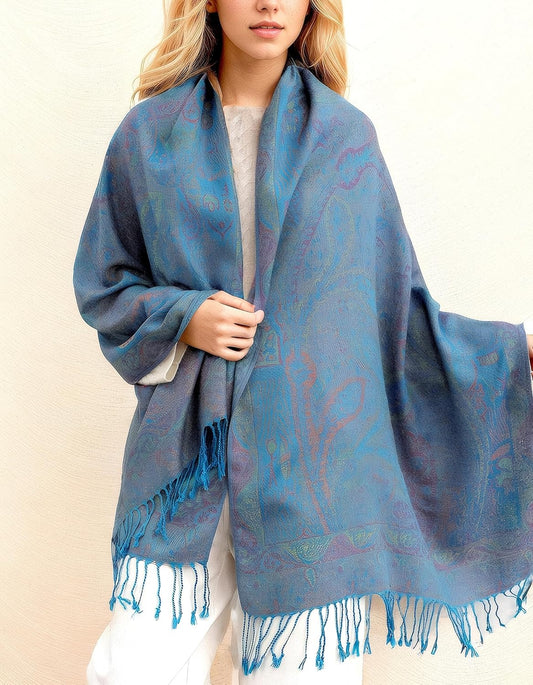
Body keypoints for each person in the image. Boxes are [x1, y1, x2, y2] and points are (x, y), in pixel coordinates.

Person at [73, 1, 533, 683]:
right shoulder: (148, 135)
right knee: (135, 668)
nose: (268, 4)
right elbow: (104, 281)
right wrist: (185, 316)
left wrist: (513, 354)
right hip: (185, 460)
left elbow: (396, 315)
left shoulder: (345, 138)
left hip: (314, 471)